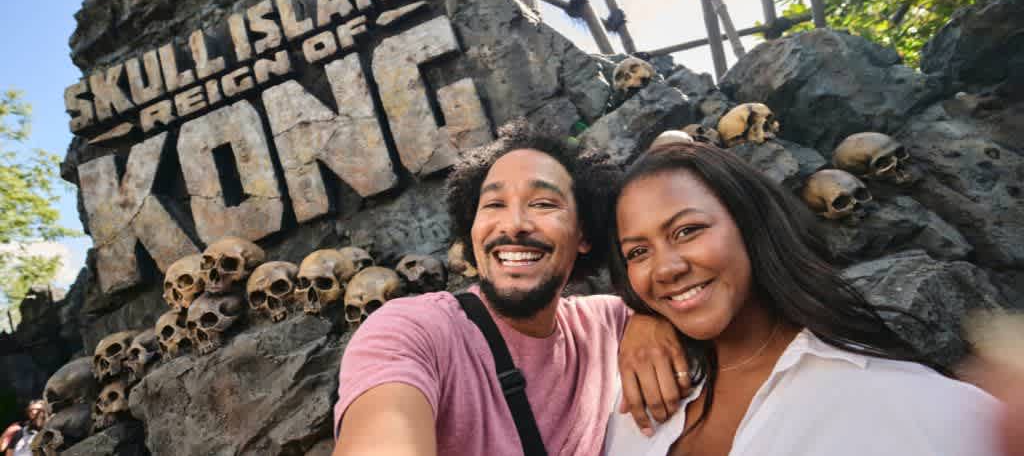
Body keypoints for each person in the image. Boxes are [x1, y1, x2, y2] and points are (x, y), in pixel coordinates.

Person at [604, 142, 1001, 456]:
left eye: (687, 230)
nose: (664, 268)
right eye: (638, 252)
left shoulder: (902, 401)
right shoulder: (630, 397)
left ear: (750, 224)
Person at [333, 124, 688, 456]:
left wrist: (649, 318)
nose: (514, 225)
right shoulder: (411, 332)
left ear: (583, 234)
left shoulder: (608, 323)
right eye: (494, 204)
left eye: (543, 203)